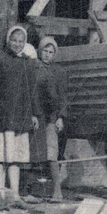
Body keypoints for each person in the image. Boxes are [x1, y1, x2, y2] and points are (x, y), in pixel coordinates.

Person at [0, 24, 39, 200]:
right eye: (14, 40)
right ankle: (0, 191)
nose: (17, 44)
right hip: (3, 115)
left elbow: (31, 90)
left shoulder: (27, 62)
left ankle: (14, 193)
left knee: (15, 157)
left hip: (20, 115)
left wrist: (33, 114)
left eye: (21, 41)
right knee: (0, 155)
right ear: (8, 41)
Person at [32, 36, 68, 201]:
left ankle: (57, 190)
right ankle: (33, 189)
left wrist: (60, 117)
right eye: (45, 51)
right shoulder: (33, 68)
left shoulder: (59, 72)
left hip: (51, 117)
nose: (47, 54)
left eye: (51, 52)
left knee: (52, 153)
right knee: (35, 152)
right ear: (40, 51)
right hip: (35, 115)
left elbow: (63, 97)